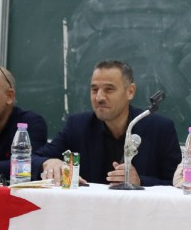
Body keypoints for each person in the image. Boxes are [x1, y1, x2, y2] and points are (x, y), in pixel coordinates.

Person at [35, 60, 181, 186]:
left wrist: (140, 181)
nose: (99, 98)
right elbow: (29, 160)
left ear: (130, 91)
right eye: (94, 90)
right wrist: (48, 162)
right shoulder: (78, 126)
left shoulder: (160, 128)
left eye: (109, 89)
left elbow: (177, 182)